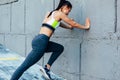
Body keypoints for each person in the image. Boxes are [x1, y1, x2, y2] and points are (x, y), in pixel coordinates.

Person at [10, 0, 90, 80]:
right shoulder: (59, 14)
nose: (68, 12)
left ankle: (47, 68)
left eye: (69, 11)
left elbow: (59, 24)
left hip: (40, 40)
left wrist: (69, 27)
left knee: (59, 48)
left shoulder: (52, 14)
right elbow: (74, 24)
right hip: (42, 41)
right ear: (63, 7)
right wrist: (86, 27)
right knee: (24, 66)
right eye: (68, 9)